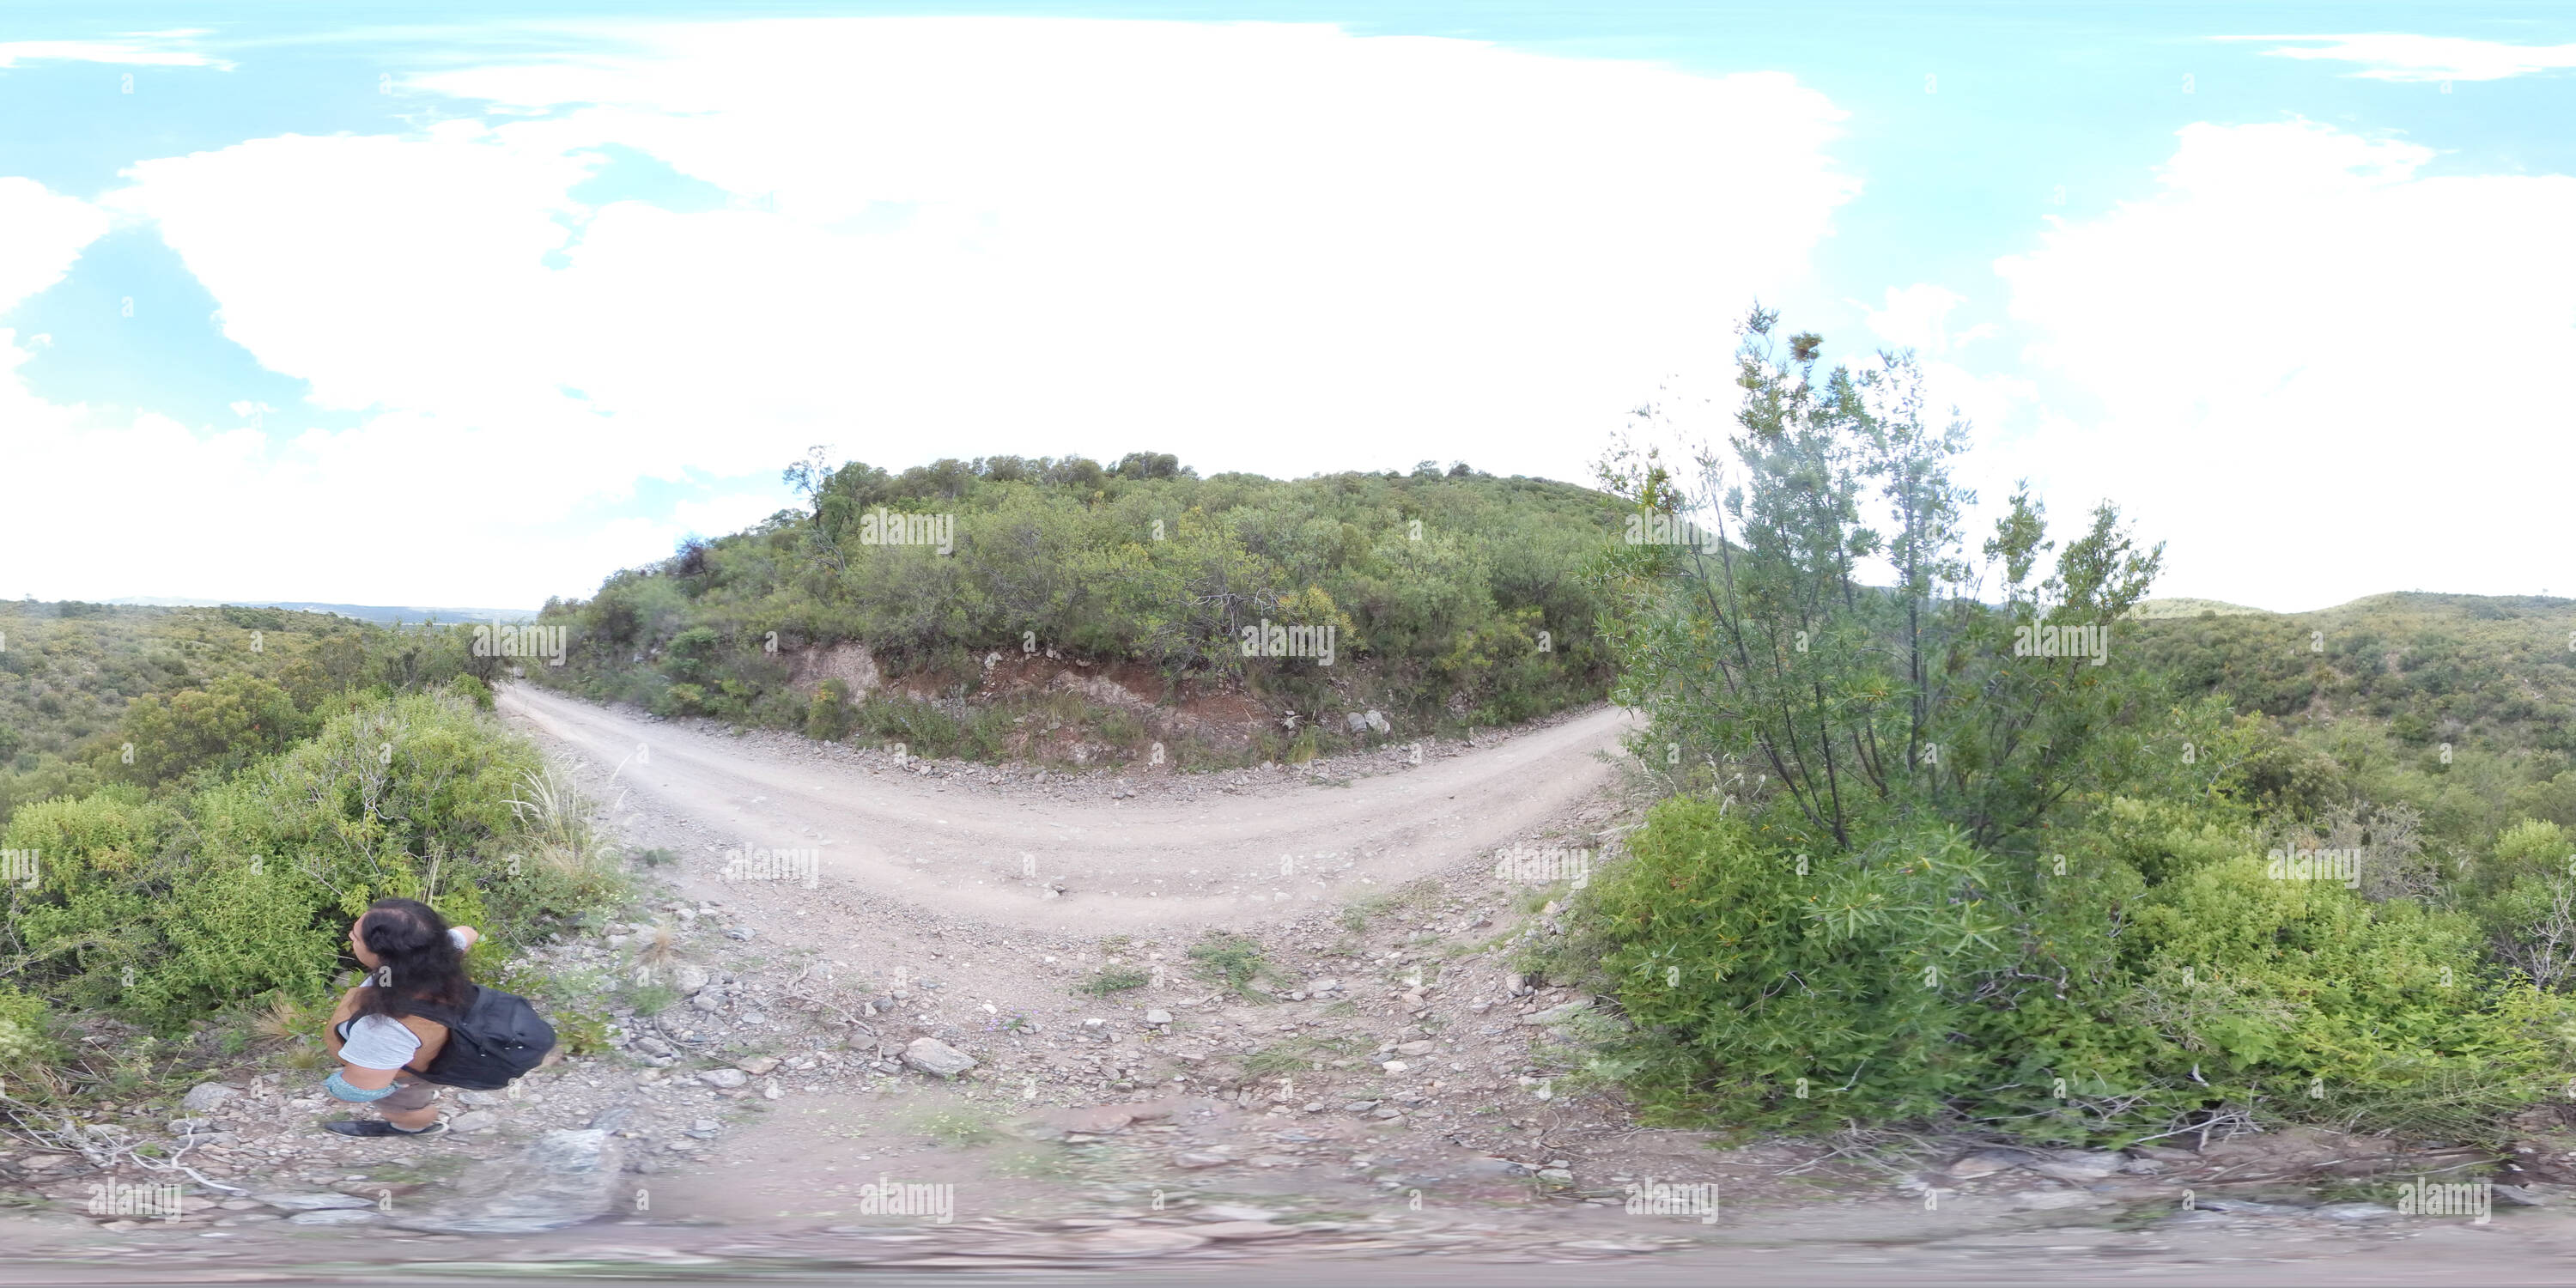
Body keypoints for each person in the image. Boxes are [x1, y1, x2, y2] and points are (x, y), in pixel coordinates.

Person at [319, 897, 480, 1137]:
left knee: (403, 1106)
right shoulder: (439, 951)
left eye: (355, 938)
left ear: (384, 956)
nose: (350, 940)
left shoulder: (385, 1028)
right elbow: (469, 933)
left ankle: (416, 1125)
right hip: (433, 1044)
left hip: (407, 1074)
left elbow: (359, 1087)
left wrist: (336, 1086)